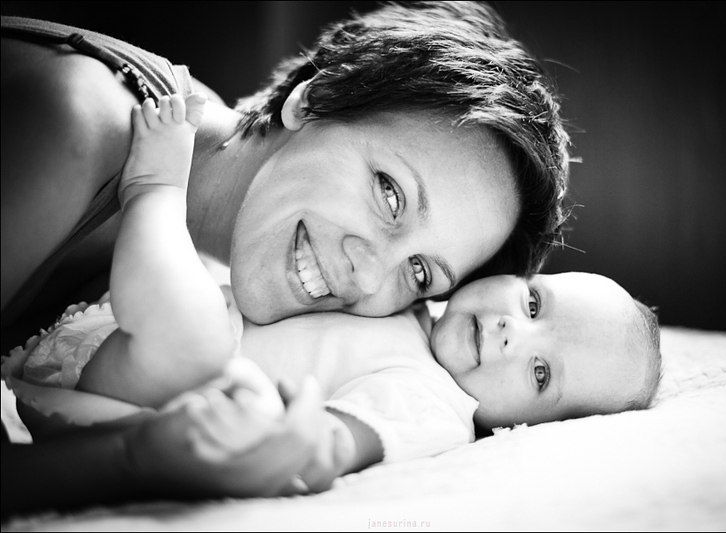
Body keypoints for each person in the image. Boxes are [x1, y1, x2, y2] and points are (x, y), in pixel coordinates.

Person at [1, 1, 571, 518]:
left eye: (419, 272)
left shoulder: (211, 265)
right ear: (312, 100)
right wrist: (134, 460)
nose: (369, 274)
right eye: (390, 195)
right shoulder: (73, 123)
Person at [4, 92, 660, 481]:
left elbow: (341, 441)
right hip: (112, 344)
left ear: (528, 426)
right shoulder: (404, 310)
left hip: (166, 405)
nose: (514, 333)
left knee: (201, 338)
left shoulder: (434, 407)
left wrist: (292, 445)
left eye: (541, 373)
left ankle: (154, 191)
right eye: (534, 304)